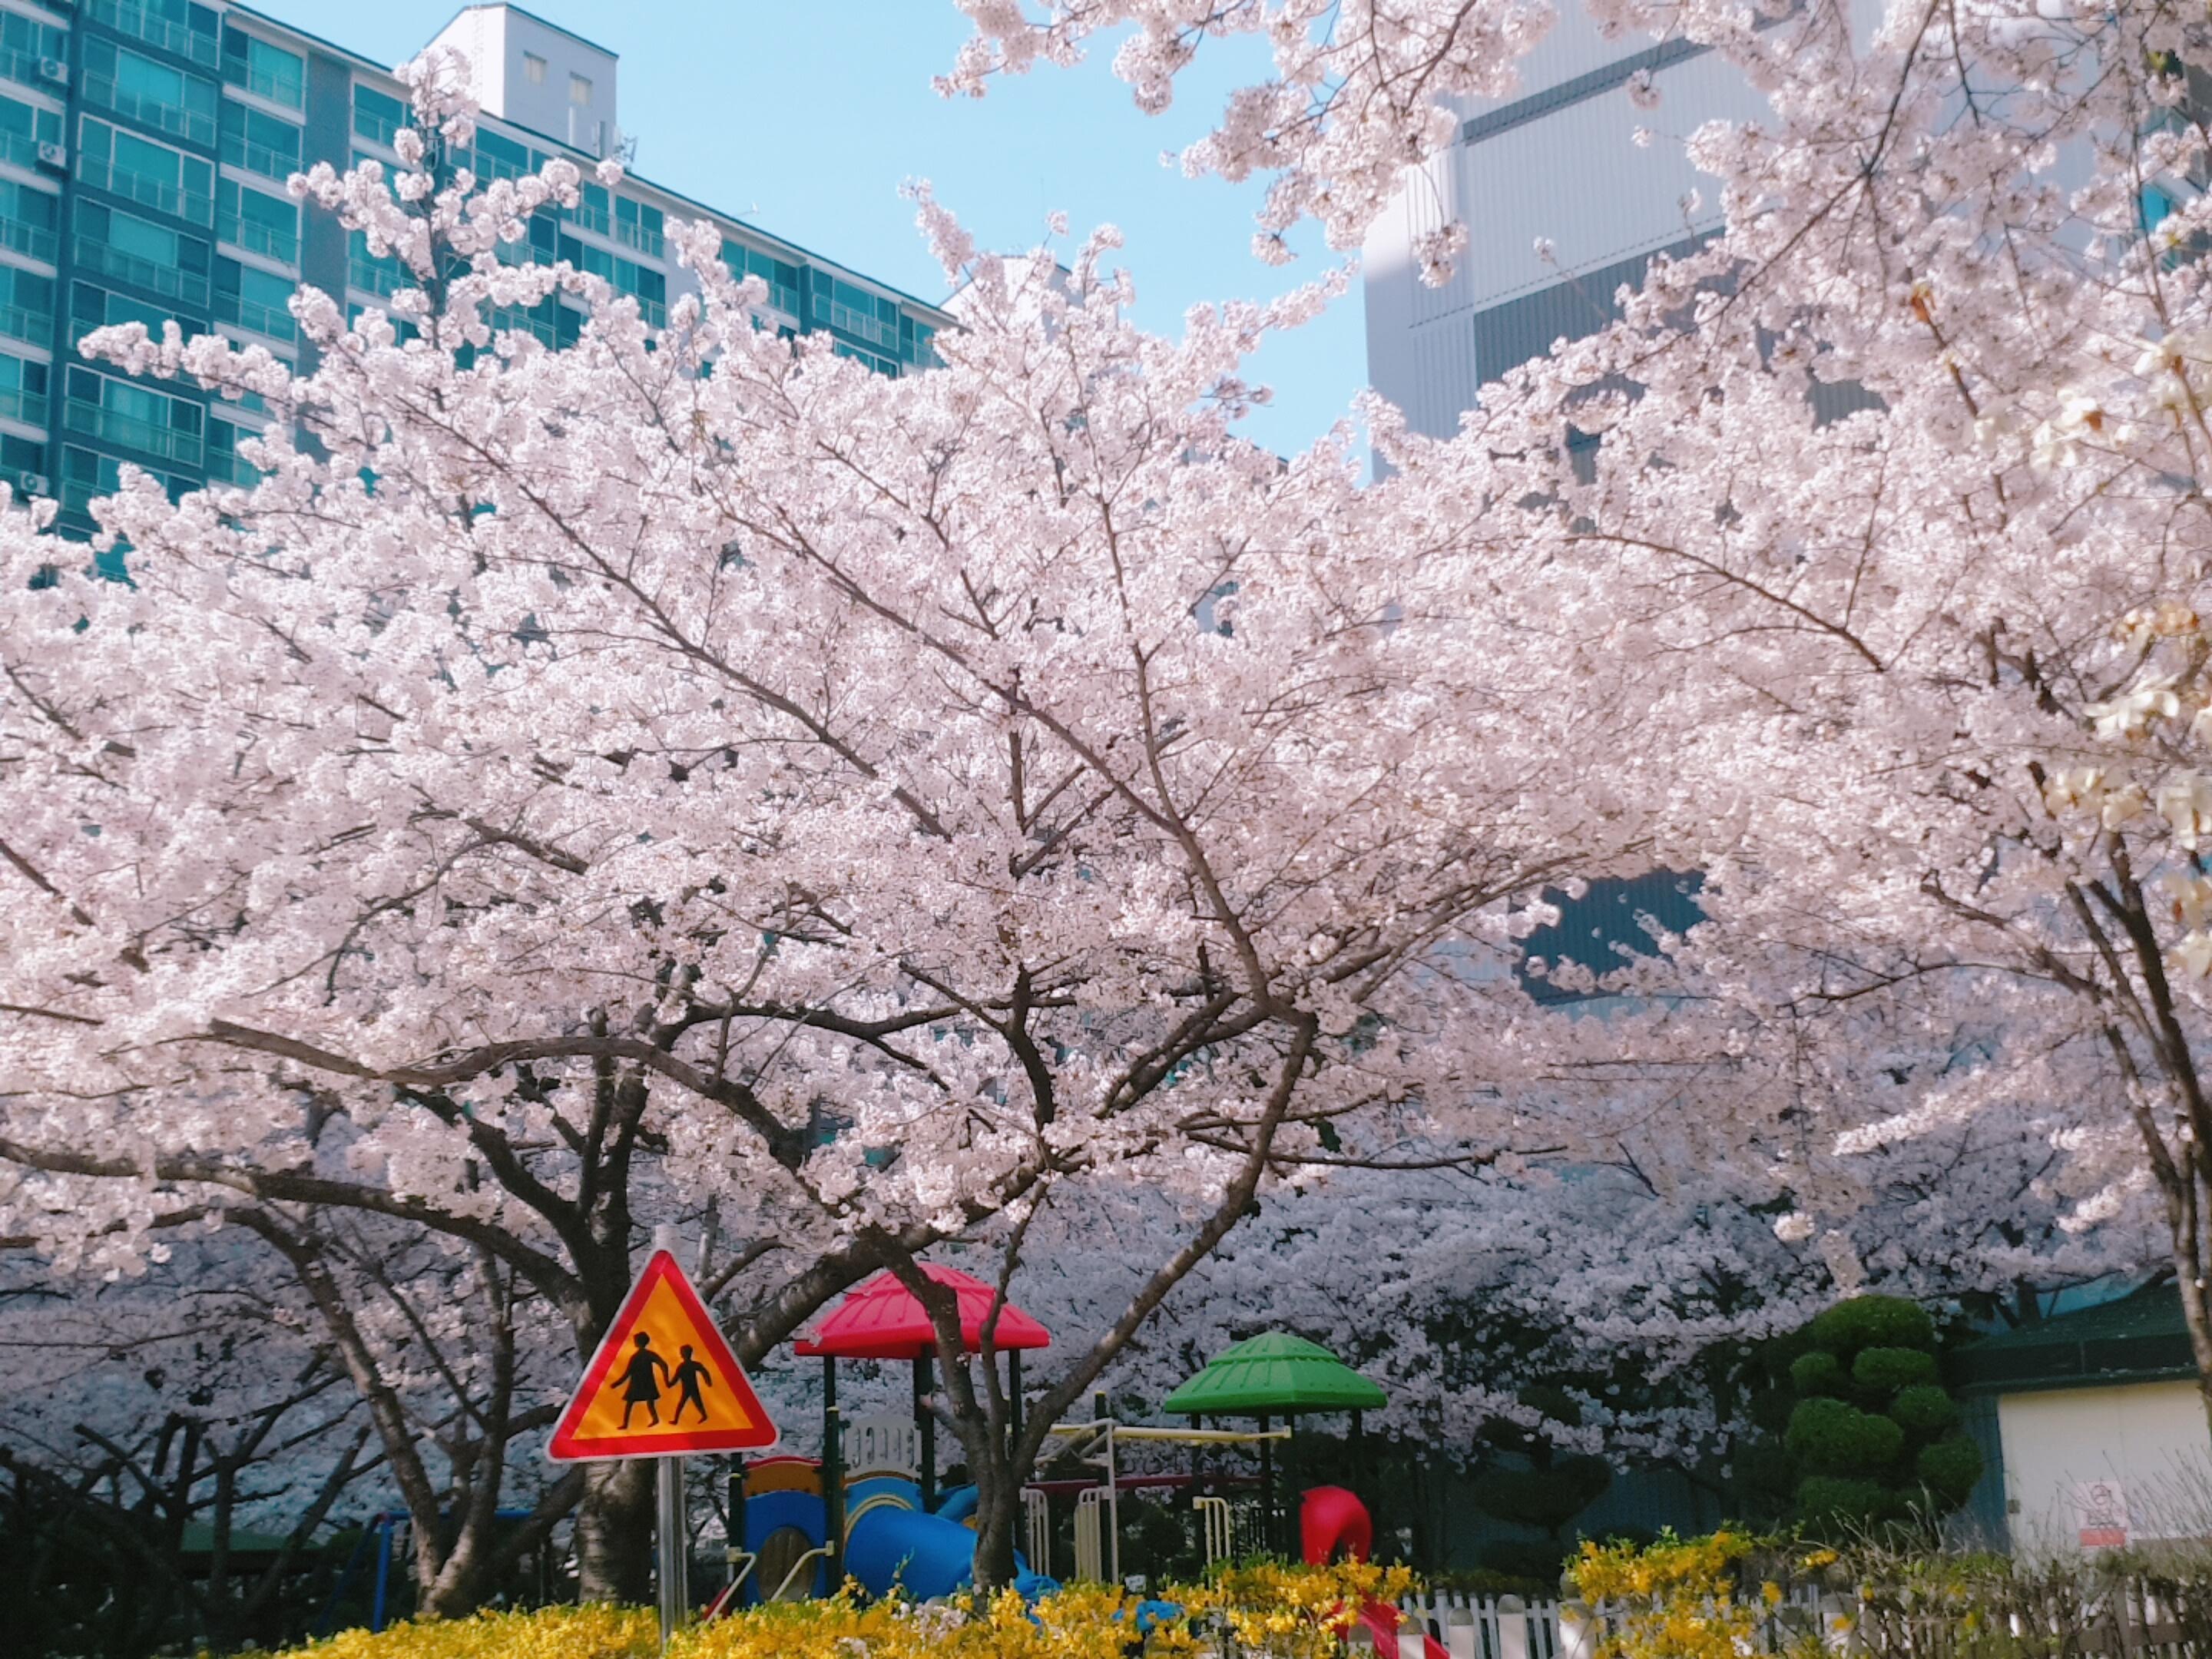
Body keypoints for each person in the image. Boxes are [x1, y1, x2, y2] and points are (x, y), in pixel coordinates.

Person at [614, 1331, 672, 1428]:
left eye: (635, 1340)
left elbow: (627, 1374)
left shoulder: (636, 1357)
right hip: (642, 1383)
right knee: (643, 1403)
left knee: (636, 1403)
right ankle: (627, 1424)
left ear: (639, 1342)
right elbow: (663, 1365)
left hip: (639, 1384)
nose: (634, 1342)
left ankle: (652, 1419)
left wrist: (616, 1384)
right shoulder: (642, 1356)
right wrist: (666, 1380)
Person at [669, 1343, 715, 1425]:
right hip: (690, 1388)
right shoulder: (687, 1366)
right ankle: (703, 1416)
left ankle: (676, 1420)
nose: (681, 1354)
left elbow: (704, 1371)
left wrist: (708, 1381)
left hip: (690, 1388)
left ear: (683, 1354)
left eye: (682, 1352)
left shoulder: (683, 1366)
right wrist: (708, 1381)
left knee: (692, 1403)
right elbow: (704, 1371)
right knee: (694, 1403)